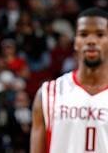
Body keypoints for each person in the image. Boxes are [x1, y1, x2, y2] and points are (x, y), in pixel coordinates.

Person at [30, 8, 108, 153]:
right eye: (83, 34)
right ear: (75, 42)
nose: (91, 41)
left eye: (100, 34)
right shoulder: (48, 94)